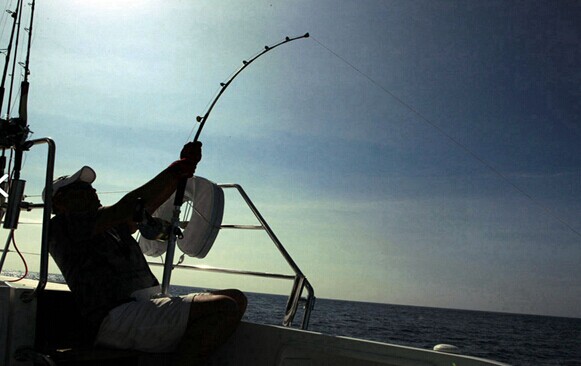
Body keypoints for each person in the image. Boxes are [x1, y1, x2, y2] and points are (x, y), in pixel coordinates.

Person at [47, 141, 247, 365]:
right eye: (81, 189)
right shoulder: (62, 227)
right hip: (115, 317)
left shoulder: (107, 224)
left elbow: (142, 208)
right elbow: (126, 208)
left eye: (90, 187)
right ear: (59, 202)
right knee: (224, 307)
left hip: (144, 305)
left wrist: (182, 173)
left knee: (237, 298)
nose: (92, 191)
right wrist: (176, 169)